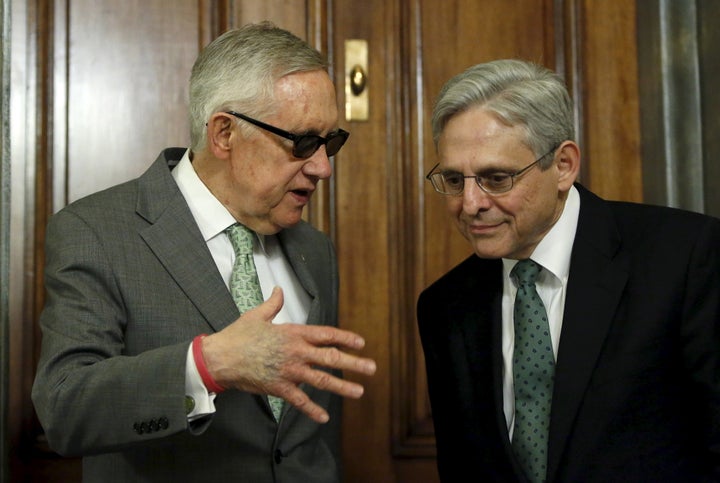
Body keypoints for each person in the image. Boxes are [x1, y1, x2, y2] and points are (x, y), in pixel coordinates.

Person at [31, 22, 376, 482]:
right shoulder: (96, 231)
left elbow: (307, 435)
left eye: (330, 142)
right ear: (225, 134)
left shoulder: (314, 249)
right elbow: (64, 409)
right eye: (304, 142)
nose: (323, 168)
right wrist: (208, 365)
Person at [417, 58, 720, 482]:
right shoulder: (444, 306)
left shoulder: (684, 257)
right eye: (453, 180)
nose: (470, 204)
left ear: (563, 165)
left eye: (497, 178)